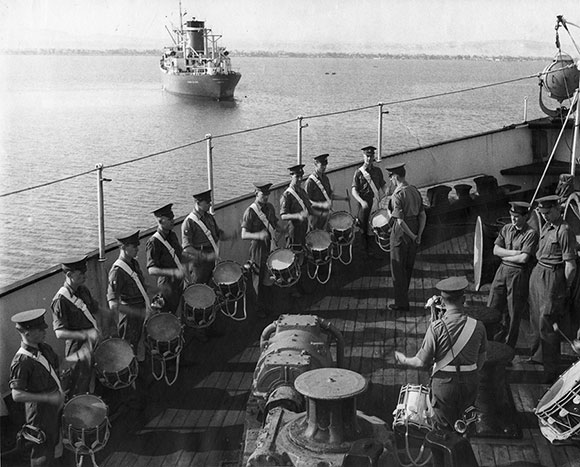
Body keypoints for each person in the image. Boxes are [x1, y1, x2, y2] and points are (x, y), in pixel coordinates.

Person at [394, 277, 487, 431]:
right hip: (471, 381)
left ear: (442, 302)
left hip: (445, 385)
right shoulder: (478, 326)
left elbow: (421, 362)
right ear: (463, 299)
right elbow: (482, 358)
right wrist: (470, 374)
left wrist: (403, 359)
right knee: (466, 424)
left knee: (442, 431)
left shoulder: (436, 328)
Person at [529, 194, 577, 383]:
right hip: (538, 272)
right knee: (535, 316)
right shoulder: (547, 226)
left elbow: (570, 265)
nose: (545, 216)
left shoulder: (564, 230)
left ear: (558, 208)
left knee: (547, 321)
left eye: (548, 212)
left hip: (553, 277)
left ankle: (551, 370)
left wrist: (565, 288)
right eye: (543, 213)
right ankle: (537, 356)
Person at [10, 309, 65, 467]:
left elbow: (55, 366)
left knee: (56, 444)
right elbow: (17, 395)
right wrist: (47, 397)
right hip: (40, 416)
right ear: (27, 333)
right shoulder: (21, 361)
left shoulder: (45, 348)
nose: (44, 331)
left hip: (55, 405)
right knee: (42, 455)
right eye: (39, 329)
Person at [487, 201, 539, 348]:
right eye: (512, 216)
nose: (513, 219)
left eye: (516, 217)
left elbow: (523, 259)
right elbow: (495, 250)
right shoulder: (506, 229)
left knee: (513, 313)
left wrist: (505, 255)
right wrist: (515, 253)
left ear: (526, 216)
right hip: (502, 271)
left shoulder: (531, 234)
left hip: (518, 275)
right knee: (492, 306)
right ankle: (489, 344)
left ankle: (508, 348)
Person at [51, 256, 102, 396]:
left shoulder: (83, 290)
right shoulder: (60, 301)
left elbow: (93, 309)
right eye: (80, 274)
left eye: (84, 273)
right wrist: (84, 334)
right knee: (78, 385)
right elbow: (59, 333)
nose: (85, 276)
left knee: (92, 376)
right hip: (77, 348)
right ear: (69, 275)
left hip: (92, 342)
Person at [386, 163, 426, 312]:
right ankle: (404, 296)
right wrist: (419, 235)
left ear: (395, 177)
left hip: (402, 234)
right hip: (415, 227)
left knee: (397, 268)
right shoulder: (414, 190)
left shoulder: (398, 195)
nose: (390, 180)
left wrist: (411, 234)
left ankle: (401, 303)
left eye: (391, 177)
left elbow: (400, 221)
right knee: (408, 267)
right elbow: (423, 215)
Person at [241, 182, 283, 317]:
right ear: (256, 193)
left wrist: (284, 230)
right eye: (263, 194)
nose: (265, 197)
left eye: (267, 194)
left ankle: (268, 306)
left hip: (270, 246)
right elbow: (244, 234)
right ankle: (257, 310)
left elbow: (275, 224)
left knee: (269, 278)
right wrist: (258, 235)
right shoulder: (250, 212)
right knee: (257, 280)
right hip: (258, 249)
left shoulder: (270, 207)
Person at [107, 230, 150, 354]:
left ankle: (141, 370)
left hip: (141, 313)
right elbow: (113, 305)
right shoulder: (117, 272)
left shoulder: (134, 263)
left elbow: (141, 285)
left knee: (141, 346)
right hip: (129, 320)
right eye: (134, 246)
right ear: (123, 247)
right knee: (129, 350)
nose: (137, 249)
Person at [146, 203, 186, 314]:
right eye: (169, 219)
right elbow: (151, 270)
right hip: (167, 286)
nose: (173, 221)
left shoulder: (172, 235)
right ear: (160, 221)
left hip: (179, 283)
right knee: (166, 315)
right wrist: (172, 272)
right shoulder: (154, 242)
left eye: (172, 218)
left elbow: (180, 254)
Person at [182, 189, 225, 285]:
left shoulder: (209, 217)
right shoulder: (189, 223)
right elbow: (187, 248)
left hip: (212, 259)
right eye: (207, 202)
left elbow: (217, 235)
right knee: (199, 290)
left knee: (213, 287)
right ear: (198, 203)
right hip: (199, 263)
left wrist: (229, 236)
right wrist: (204, 256)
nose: (210, 204)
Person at [351, 145, 387, 253]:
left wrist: (387, 192)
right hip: (364, 204)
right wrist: (362, 202)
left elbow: (382, 185)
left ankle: (373, 250)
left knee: (374, 227)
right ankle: (364, 252)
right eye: (367, 156)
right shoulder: (358, 173)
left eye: (371, 156)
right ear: (363, 156)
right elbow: (354, 191)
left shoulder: (378, 171)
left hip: (375, 201)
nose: (369, 159)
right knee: (363, 228)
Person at [304, 153, 348, 230]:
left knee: (324, 235)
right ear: (316, 164)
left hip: (325, 213)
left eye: (325, 165)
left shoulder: (325, 179)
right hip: (315, 215)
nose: (324, 167)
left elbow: (330, 195)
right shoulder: (310, 182)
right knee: (314, 235)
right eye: (322, 165)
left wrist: (344, 198)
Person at [280, 164, 313, 255]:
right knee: (294, 255)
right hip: (294, 232)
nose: (299, 179)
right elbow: (283, 215)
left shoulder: (301, 191)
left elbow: (309, 207)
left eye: (301, 176)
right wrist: (297, 216)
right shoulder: (287, 195)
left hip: (304, 229)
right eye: (297, 176)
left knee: (304, 254)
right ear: (291, 176)